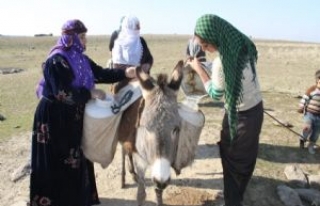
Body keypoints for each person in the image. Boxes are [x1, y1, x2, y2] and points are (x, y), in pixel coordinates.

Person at [29, 19, 136, 206]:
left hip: (73, 117)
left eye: (85, 36)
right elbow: (63, 93)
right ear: (70, 38)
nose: (85, 40)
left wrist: (125, 73)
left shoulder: (81, 59)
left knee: (76, 157)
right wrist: (90, 93)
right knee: (56, 160)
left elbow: (101, 73)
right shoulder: (56, 60)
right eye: (82, 36)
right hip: (53, 118)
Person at [187, 14, 264, 206]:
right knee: (246, 159)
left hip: (240, 118)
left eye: (206, 46)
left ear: (215, 38)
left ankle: (233, 201)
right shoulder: (243, 44)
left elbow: (215, 93)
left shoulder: (221, 64)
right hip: (256, 111)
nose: (207, 50)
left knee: (233, 163)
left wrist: (199, 68)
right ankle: (235, 196)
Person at [298, 70, 320, 154]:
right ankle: (302, 139)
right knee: (307, 128)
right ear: (317, 80)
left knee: (316, 133)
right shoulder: (312, 89)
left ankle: (311, 145)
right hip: (309, 114)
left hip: (319, 116)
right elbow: (305, 98)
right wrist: (301, 107)